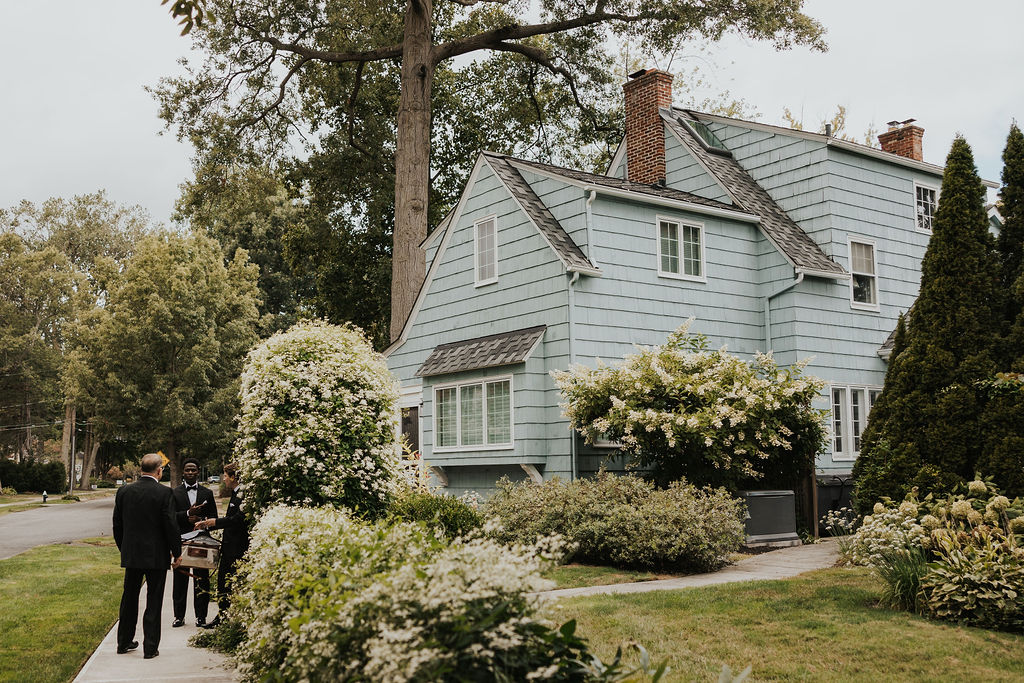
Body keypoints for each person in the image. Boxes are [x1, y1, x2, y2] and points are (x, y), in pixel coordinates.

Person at [112, 453, 182, 659]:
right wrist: (176, 552)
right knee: (154, 600)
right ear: (159, 471)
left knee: (129, 598)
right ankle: (150, 647)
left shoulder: (124, 491)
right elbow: (171, 525)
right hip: (156, 557)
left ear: (141, 469)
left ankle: (123, 642)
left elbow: (117, 525)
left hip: (132, 554)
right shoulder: (164, 493)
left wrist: (124, 548)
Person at [196, 462, 250, 628]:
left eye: (225, 476)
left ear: (233, 477)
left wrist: (214, 522)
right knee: (222, 584)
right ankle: (222, 616)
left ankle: (224, 618)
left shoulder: (242, 495)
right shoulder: (235, 494)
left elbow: (237, 520)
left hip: (237, 548)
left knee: (226, 584)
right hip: (229, 547)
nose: (224, 479)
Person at [171, 457, 218, 628]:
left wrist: (202, 520)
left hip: (201, 542)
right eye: (187, 470)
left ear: (198, 471)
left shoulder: (207, 493)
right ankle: (178, 616)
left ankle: (201, 617)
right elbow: (170, 518)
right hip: (181, 542)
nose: (190, 472)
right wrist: (186, 515)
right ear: (183, 472)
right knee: (180, 580)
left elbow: (214, 518)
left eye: (193, 470)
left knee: (201, 579)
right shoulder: (174, 493)